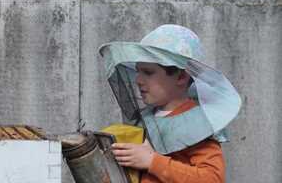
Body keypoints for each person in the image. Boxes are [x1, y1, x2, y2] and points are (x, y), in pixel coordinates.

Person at [99, 24, 241, 183]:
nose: (138, 80)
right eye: (138, 71)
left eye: (148, 72)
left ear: (181, 77)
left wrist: (153, 161)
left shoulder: (197, 123)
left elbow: (212, 179)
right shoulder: (145, 118)